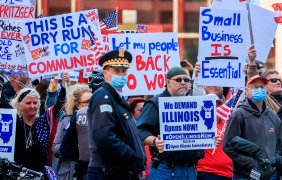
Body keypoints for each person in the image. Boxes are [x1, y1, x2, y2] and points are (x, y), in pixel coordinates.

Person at [137, 66, 204, 180]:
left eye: (186, 80)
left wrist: (210, 139)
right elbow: (140, 131)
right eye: (178, 80)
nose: (183, 82)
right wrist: (155, 141)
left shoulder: (194, 103)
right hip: (166, 169)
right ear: (168, 82)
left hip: (190, 169)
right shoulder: (155, 103)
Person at [87, 49, 145, 179]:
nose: (121, 74)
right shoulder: (103, 97)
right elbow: (105, 137)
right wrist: (132, 157)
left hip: (119, 169)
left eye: (124, 71)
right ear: (106, 73)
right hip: (108, 171)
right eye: (117, 70)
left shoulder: (118, 98)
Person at [223, 75, 282, 179]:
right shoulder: (239, 115)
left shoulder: (273, 116)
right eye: (255, 87)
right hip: (245, 175)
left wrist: (274, 161)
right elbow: (228, 146)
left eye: (262, 87)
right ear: (247, 91)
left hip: (270, 175)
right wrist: (253, 164)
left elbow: (279, 143)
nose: (259, 90)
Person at [10, 85, 65, 172]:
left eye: (35, 103)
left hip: (41, 173)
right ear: (19, 105)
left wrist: (63, 86)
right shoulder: (14, 123)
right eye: (28, 103)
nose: (32, 106)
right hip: (18, 173)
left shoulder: (44, 120)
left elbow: (60, 104)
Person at [53, 84, 92, 179]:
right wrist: (72, 147)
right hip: (69, 172)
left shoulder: (98, 121)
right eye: (87, 102)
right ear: (78, 105)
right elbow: (55, 148)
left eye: (92, 101)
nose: (90, 105)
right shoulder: (66, 121)